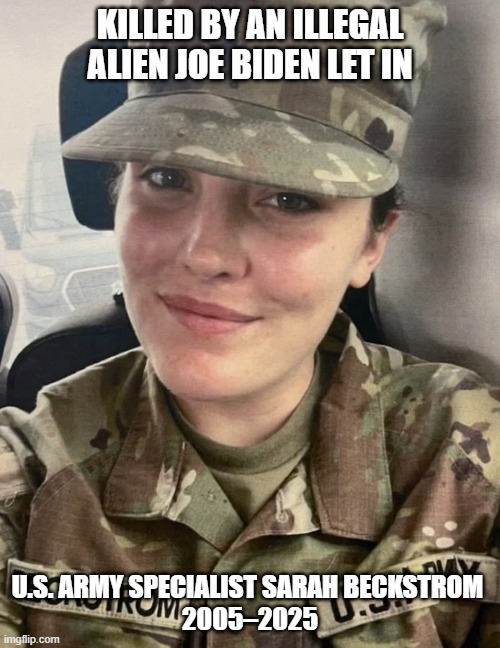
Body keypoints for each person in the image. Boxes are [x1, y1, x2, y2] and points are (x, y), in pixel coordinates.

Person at [0, 0, 499, 646]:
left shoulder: (471, 462)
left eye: (290, 198)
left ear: (372, 243)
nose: (205, 254)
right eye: (165, 177)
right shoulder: (26, 480)